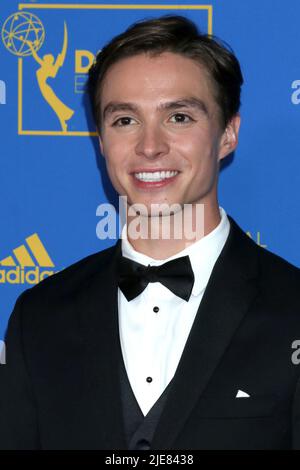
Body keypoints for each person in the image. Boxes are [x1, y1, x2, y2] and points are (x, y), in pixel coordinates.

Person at [0, 15, 300, 450]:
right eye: (125, 120)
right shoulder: (39, 317)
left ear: (227, 135)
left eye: (178, 116)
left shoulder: (292, 306)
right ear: (101, 142)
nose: (150, 146)